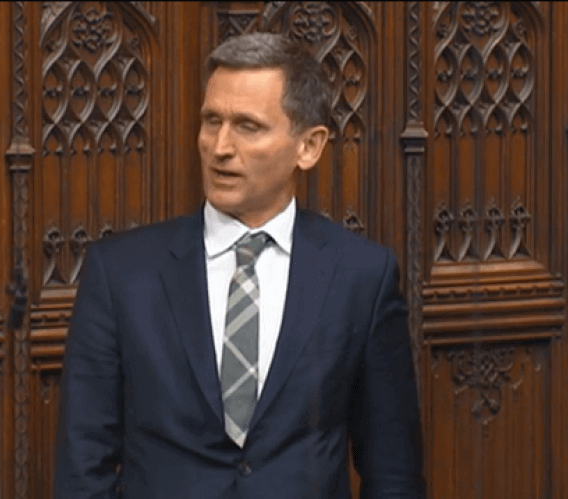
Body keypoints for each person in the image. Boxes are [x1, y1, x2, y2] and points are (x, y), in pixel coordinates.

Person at [54, 32, 424, 498]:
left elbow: (393, 471)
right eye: (212, 121)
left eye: (248, 126)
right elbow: (83, 466)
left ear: (308, 146)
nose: (220, 147)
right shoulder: (121, 274)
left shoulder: (361, 276)